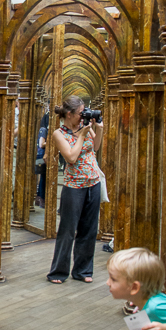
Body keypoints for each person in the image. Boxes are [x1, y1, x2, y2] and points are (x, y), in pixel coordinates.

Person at [47, 96, 103, 283]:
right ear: (69, 114)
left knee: (89, 229)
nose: (83, 116)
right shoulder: (59, 134)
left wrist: (99, 129)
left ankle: (83, 271)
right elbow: (71, 157)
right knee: (68, 230)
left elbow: (95, 147)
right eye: (80, 113)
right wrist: (81, 135)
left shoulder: (85, 128)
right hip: (74, 186)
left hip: (93, 183)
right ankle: (58, 272)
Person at [35, 111, 49, 208]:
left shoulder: (43, 129)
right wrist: (53, 141)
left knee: (43, 178)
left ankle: (40, 198)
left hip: (42, 155)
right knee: (43, 178)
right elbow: (41, 144)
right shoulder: (44, 129)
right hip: (42, 155)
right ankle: (41, 199)